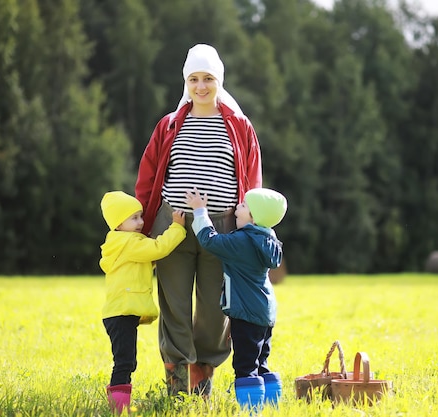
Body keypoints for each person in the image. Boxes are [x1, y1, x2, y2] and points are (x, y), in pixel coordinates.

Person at [135, 43, 263, 396]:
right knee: (173, 305)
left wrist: (249, 228)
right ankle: (176, 390)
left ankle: (201, 384)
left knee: (214, 310)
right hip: (172, 228)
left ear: (219, 80)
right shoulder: (169, 125)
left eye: (208, 78)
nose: (201, 86)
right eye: (194, 79)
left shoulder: (238, 125)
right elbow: (148, 177)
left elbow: (251, 180)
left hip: (221, 230)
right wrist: (143, 225)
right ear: (186, 83)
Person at [185, 187, 287, 409]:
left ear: (253, 218)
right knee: (261, 361)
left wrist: (200, 211)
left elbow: (210, 240)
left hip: (246, 313)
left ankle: (251, 410)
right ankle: (272, 404)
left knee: (245, 365)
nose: (237, 207)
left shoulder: (242, 241)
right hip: (265, 312)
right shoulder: (267, 238)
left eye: (243, 206)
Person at [99, 191, 186, 413]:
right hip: (122, 313)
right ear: (118, 224)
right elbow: (158, 248)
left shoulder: (120, 243)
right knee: (125, 362)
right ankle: (118, 408)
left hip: (119, 313)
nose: (141, 222)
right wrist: (177, 227)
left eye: (140, 216)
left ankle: (118, 404)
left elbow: (143, 263)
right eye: (134, 218)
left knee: (126, 360)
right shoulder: (129, 243)